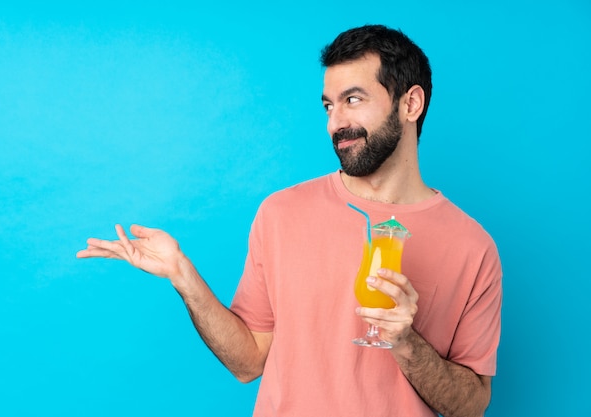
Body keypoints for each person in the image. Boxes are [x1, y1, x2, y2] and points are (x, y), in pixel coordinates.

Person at [77, 24, 502, 417]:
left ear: (410, 104)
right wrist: (183, 276)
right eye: (328, 106)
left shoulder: (472, 247)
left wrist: (406, 342)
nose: (337, 123)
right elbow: (248, 362)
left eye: (353, 100)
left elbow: (471, 405)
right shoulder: (282, 213)